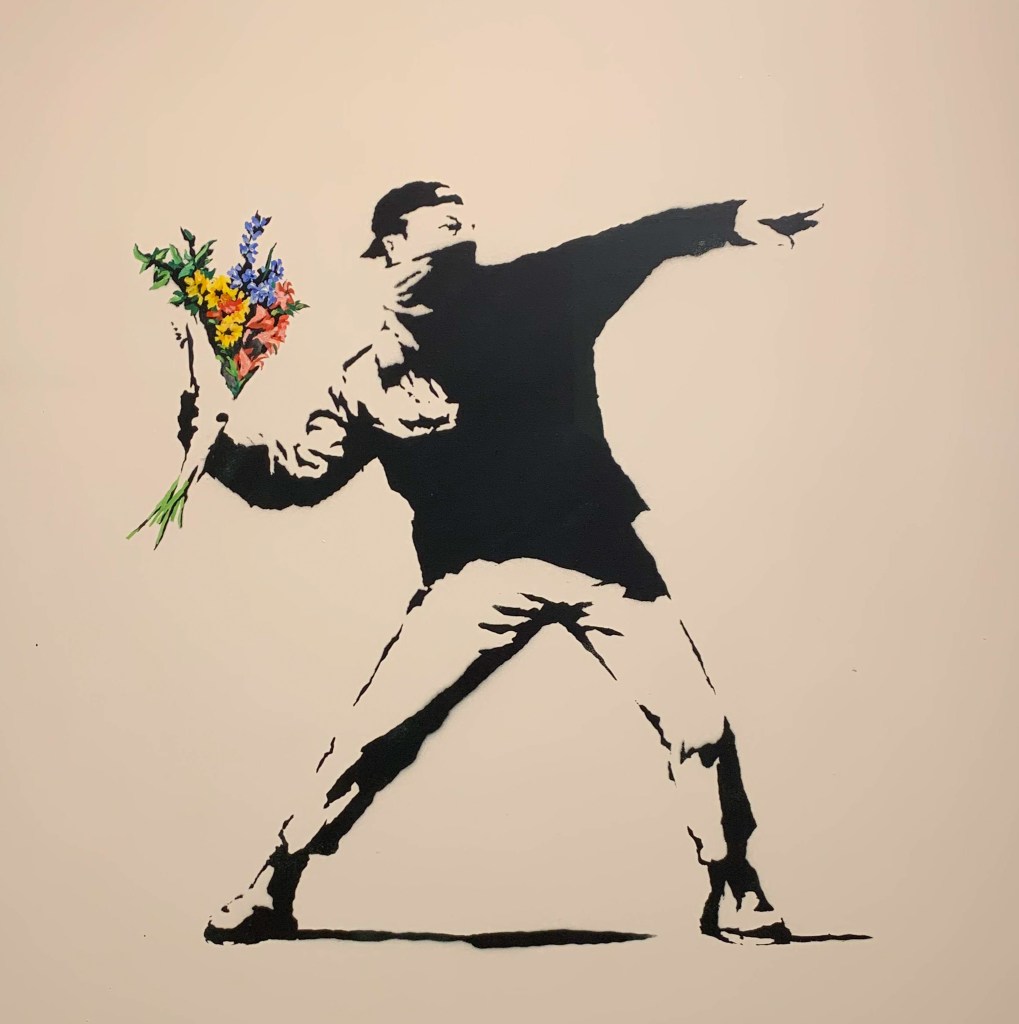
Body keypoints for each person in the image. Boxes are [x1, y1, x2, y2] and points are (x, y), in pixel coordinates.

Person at [183, 182, 822, 945]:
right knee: (373, 740)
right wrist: (216, 450)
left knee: (697, 722)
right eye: (439, 213)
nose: (460, 218)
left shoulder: (538, 292)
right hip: (474, 578)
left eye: (463, 213)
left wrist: (729, 221)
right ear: (391, 244)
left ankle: (733, 884)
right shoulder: (366, 376)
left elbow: (634, 242)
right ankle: (274, 882)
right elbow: (296, 477)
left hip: (600, 560)